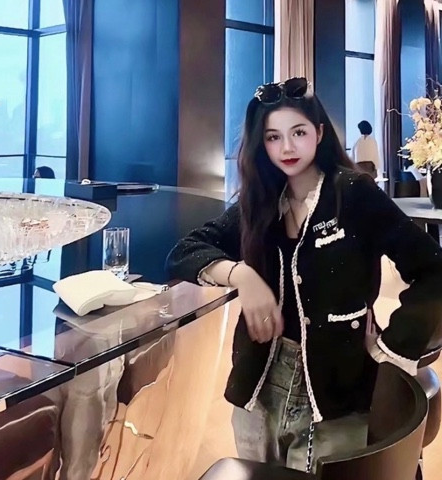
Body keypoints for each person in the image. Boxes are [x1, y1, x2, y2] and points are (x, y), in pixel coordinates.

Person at [165, 78, 442, 473]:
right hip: (259, 390)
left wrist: (392, 349)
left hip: (338, 392)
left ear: (320, 133)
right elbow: (184, 252)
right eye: (273, 137)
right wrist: (242, 275)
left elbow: (433, 272)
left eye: (298, 132)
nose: (287, 148)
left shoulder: (353, 194)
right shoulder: (260, 203)